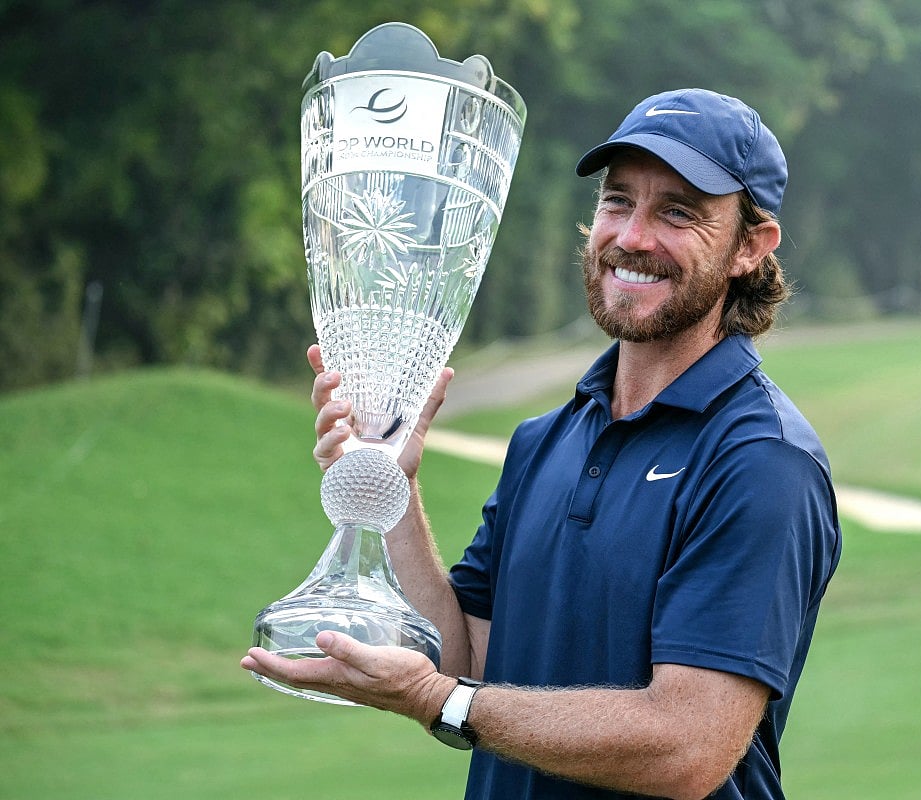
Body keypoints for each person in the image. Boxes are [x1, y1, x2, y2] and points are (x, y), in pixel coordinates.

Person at [242, 88, 841, 800]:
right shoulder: (544, 442)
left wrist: (441, 701)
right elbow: (466, 659)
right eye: (618, 202)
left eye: (677, 211)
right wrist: (393, 493)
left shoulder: (760, 460)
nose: (633, 237)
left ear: (750, 247)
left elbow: (689, 746)